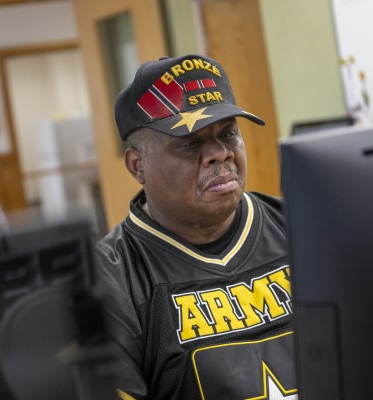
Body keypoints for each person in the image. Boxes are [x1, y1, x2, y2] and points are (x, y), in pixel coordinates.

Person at [95, 54, 297, 400]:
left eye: (228, 134)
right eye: (190, 143)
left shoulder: (300, 225)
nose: (220, 154)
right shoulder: (110, 278)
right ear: (137, 165)